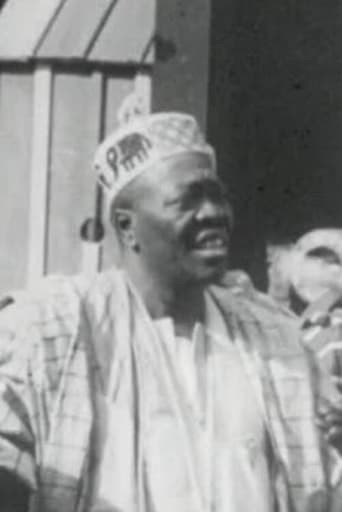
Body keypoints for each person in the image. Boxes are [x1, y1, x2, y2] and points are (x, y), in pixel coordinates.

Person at [0, 113, 338, 512]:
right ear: (127, 228)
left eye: (218, 196)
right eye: (188, 200)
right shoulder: (56, 330)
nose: (215, 213)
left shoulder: (276, 341)